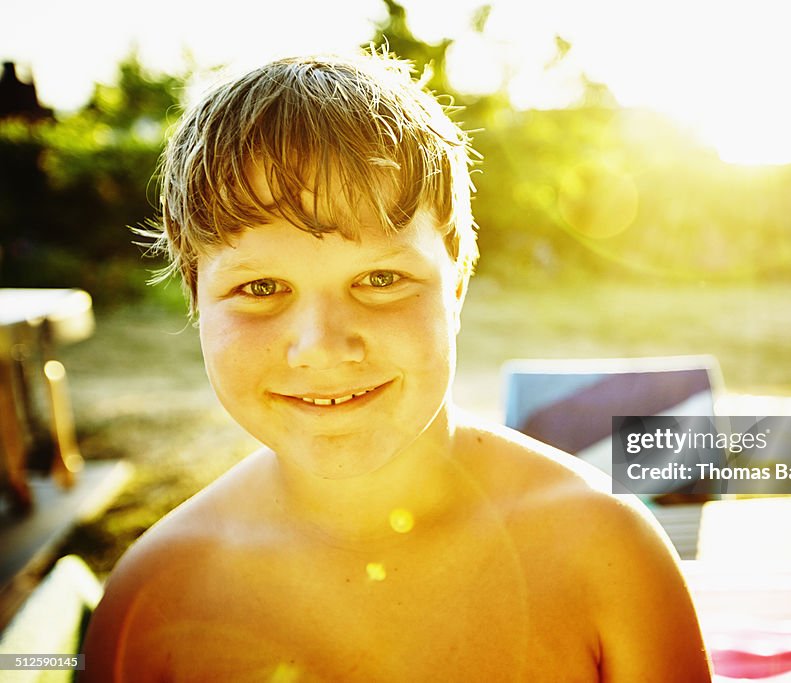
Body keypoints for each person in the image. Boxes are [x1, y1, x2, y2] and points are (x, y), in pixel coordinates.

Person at [82, 50, 711, 682]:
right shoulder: (152, 601)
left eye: (380, 278)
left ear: (457, 284)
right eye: (262, 288)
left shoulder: (607, 553)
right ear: (196, 301)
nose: (323, 347)